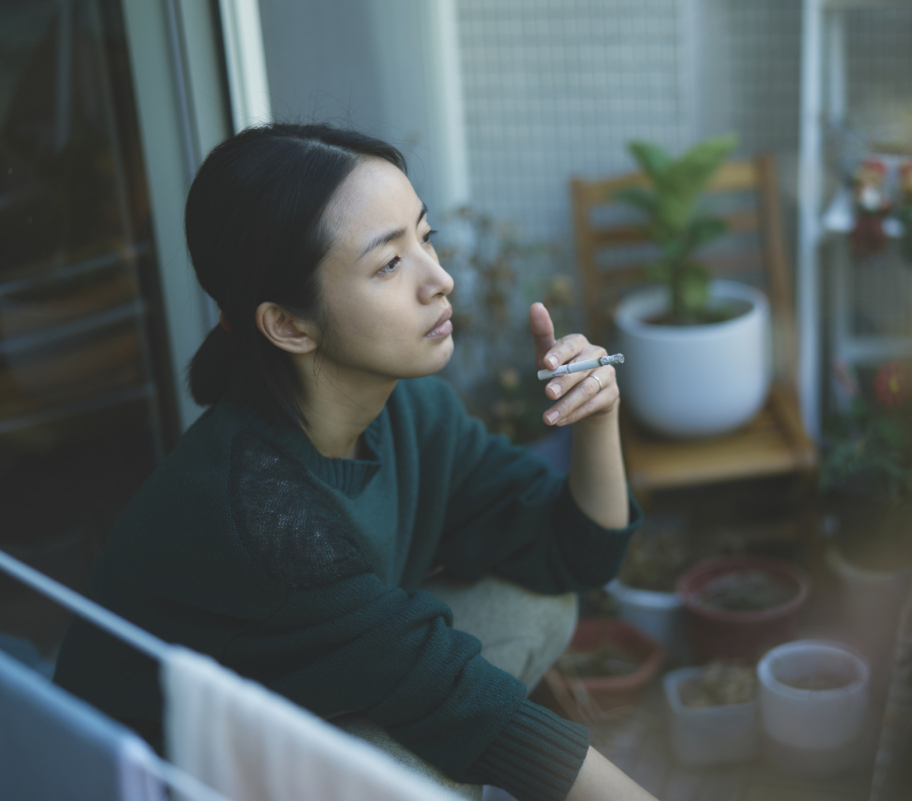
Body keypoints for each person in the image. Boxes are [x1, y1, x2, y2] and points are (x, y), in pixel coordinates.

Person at [53, 123, 657, 801]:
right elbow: (470, 709)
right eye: (389, 264)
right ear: (289, 324)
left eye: (425, 237)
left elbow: (574, 556)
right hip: (156, 784)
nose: (441, 279)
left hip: (265, 737)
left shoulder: (409, 412)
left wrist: (597, 419)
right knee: (408, 766)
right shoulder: (260, 512)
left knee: (531, 599)